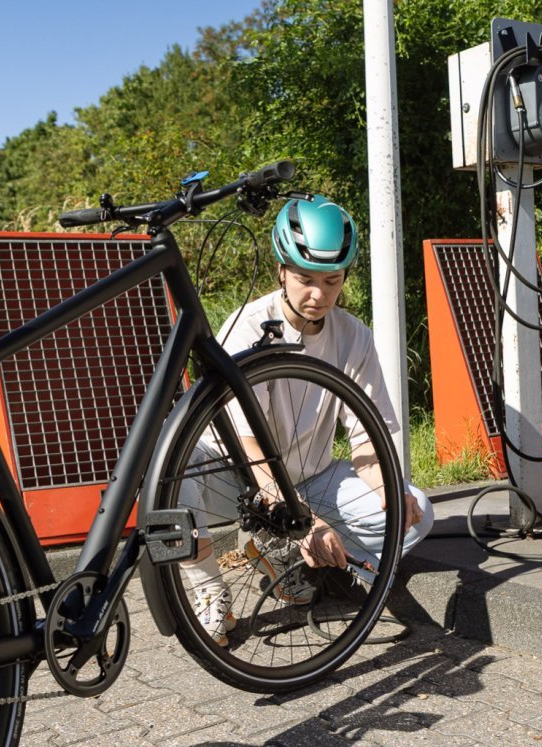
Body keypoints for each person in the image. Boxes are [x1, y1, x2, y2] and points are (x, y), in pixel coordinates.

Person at [179, 194, 434, 646]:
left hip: (309, 476)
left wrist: (388, 492)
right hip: (233, 478)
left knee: (417, 511)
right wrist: (300, 520)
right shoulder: (247, 326)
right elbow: (247, 446)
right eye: (305, 279)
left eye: (332, 281)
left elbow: (366, 440)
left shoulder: (353, 336)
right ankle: (210, 590)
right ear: (282, 270)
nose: (318, 295)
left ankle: (281, 553)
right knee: (171, 473)